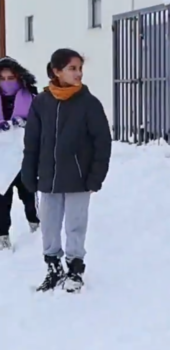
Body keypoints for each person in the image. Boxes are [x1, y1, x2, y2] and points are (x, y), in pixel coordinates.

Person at [22, 48, 112, 292]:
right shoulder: (41, 102)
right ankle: (53, 267)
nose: (78, 73)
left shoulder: (89, 103)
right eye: (72, 68)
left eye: (80, 68)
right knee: (49, 225)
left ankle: (75, 269)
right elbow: (32, 141)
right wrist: (28, 172)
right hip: (48, 178)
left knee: (75, 225)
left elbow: (102, 142)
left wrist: (96, 177)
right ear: (56, 70)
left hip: (79, 179)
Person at [0, 57, 40, 250]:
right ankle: (2, 237)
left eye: (11, 78)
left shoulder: (30, 96)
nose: (7, 82)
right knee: (1, 201)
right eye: (3, 78)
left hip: (24, 156)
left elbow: (41, 124)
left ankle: (37, 230)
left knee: (30, 197)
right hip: (1, 159)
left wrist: (23, 124)